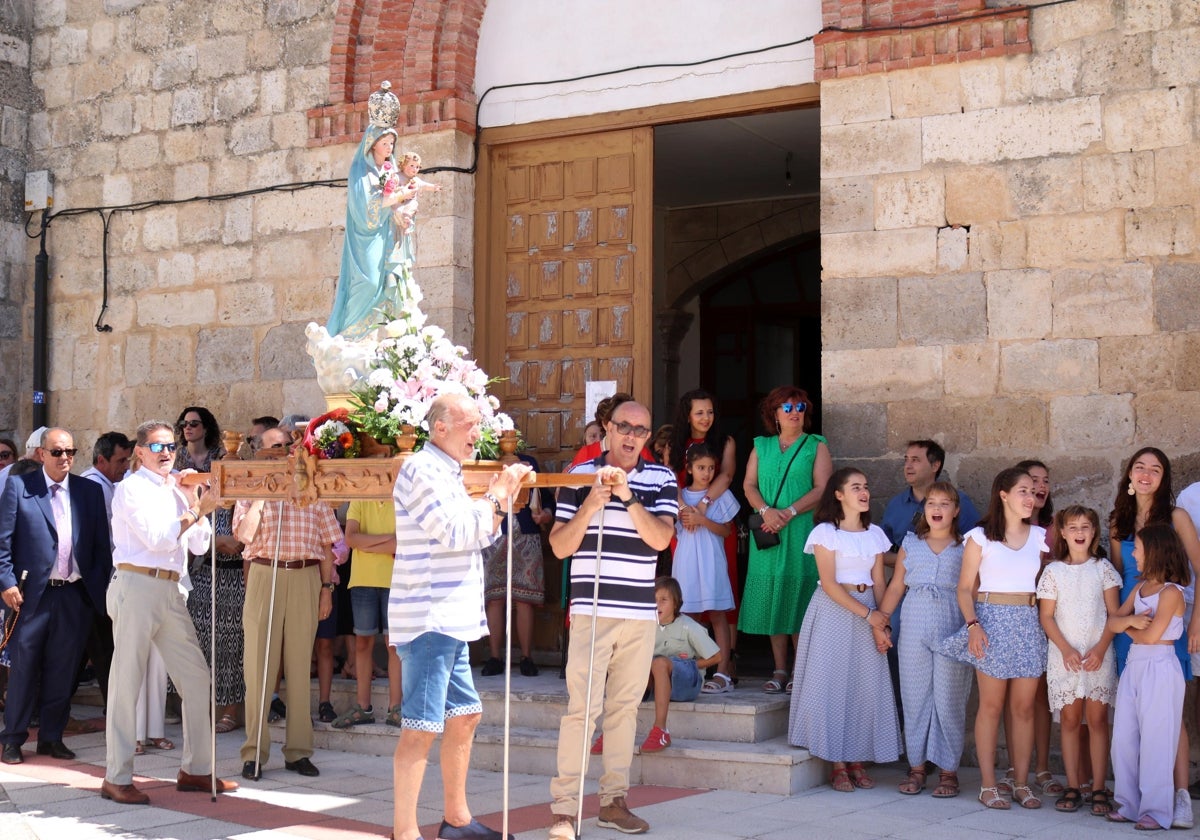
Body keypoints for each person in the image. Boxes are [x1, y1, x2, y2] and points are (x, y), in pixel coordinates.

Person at [388, 393, 531, 840]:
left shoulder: (448, 472)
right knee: (420, 728)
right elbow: (454, 532)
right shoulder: (420, 469)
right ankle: (405, 831)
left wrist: (496, 505)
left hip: (453, 618)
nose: (477, 434)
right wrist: (495, 497)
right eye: (469, 425)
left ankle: (457, 819)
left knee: (465, 715)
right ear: (440, 428)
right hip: (431, 617)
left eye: (478, 425)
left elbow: (477, 538)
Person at [548, 399, 677, 840]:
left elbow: (660, 538)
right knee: (581, 711)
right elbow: (561, 547)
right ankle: (564, 811)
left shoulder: (662, 478)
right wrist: (590, 505)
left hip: (638, 616)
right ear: (607, 426)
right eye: (623, 426)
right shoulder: (577, 476)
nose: (630, 436)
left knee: (624, 710)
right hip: (591, 611)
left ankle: (613, 803)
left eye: (640, 431)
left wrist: (627, 498)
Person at [102, 420, 238, 804]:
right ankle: (117, 776)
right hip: (136, 584)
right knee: (126, 683)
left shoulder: (177, 488)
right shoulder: (131, 488)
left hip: (171, 588)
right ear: (140, 452)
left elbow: (197, 546)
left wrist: (197, 504)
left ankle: (196, 770)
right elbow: (158, 537)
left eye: (170, 447)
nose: (166, 453)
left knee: (196, 679)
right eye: (157, 446)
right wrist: (198, 510)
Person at [234, 425, 342, 781]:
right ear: (260, 452)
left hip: (305, 575)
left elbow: (328, 544)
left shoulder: (310, 485)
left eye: (286, 445)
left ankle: (298, 751)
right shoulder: (250, 486)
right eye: (274, 447)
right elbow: (243, 537)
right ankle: (254, 753)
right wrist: (266, 494)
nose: (282, 451)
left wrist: (327, 588)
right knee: (258, 668)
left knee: (299, 667)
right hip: (265, 573)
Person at [0, 429, 112, 767]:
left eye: (70, 451)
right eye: (57, 452)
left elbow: (100, 548)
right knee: (24, 670)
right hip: (30, 597)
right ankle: (13, 739)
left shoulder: (88, 491)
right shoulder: (20, 487)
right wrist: (6, 582)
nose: (64, 458)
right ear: (41, 454)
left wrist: (99, 590)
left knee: (63, 672)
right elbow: (2, 543)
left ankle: (51, 737)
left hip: (74, 595)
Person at [941, 467, 1048, 810]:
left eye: (1033, 491)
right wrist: (973, 625)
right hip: (989, 621)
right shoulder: (979, 537)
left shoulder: (1041, 536)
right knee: (990, 706)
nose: (1031, 497)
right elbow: (963, 587)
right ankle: (988, 785)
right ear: (1003, 495)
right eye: (1023, 491)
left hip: (1029, 622)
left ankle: (1020, 782)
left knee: (1024, 709)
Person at [787, 468, 899, 791]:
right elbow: (831, 584)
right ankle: (836, 760)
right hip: (834, 610)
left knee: (864, 684)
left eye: (865, 487)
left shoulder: (875, 534)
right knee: (833, 683)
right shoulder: (825, 533)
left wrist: (882, 623)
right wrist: (869, 615)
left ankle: (857, 757)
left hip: (867, 612)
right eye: (855, 487)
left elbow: (880, 582)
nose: (863, 492)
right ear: (838, 495)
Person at [1108, 446, 1200, 828]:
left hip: (1167, 617)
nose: (1146, 474)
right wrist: (1116, 625)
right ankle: (1132, 798)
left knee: (1168, 715)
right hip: (1133, 608)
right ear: (1129, 474)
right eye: (1139, 467)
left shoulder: (1175, 516)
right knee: (1132, 714)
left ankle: (1177, 797)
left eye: (1156, 469)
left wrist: (1196, 625)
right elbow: (1116, 575)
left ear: (1164, 478)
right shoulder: (1119, 520)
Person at [878, 481, 971, 798]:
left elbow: (974, 591)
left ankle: (948, 771)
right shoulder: (910, 543)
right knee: (915, 696)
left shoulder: (967, 546)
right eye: (932, 503)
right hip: (914, 625)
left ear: (956, 511)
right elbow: (895, 587)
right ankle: (916, 767)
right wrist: (882, 622)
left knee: (949, 699)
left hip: (952, 625)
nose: (937, 509)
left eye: (945, 504)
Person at [739, 386, 831, 694]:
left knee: (799, 598)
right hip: (768, 531)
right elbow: (748, 484)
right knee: (772, 598)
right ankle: (779, 669)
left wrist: (788, 512)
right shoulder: (760, 446)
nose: (795, 413)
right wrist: (766, 512)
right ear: (774, 414)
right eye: (787, 408)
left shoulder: (815, 445)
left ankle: (800, 669)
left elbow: (822, 488)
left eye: (800, 407)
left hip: (800, 530)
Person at [1036, 505, 1119, 815]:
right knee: (1070, 721)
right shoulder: (1053, 571)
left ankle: (1098, 787)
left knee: (1097, 721)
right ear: (1062, 533)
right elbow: (1046, 616)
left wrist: (1099, 649)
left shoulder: (1104, 569)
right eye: (1073, 527)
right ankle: (1073, 784)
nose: (1080, 532)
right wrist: (1066, 649)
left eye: (1086, 527)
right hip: (1064, 656)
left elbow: (1114, 615)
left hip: (1098, 655)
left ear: (1094, 532)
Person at [327, 98, 421, 338]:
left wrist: (402, 209)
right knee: (368, 281)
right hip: (366, 236)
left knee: (386, 284)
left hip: (387, 234)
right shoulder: (361, 171)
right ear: (372, 145)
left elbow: (397, 202)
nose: (389, 147)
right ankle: (349, 335)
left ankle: (374, 335)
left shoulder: (391, 171)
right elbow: (365, 207)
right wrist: (398, 195)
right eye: (384, 143)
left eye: (391, 143)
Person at [668, 389, 741, 679]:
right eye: (699, 412)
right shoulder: (675, 444)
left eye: (710, 411)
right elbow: (669, 477)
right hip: (685, 522)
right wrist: (685, 509)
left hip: (713, 517)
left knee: (721, 593)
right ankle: (691, 668)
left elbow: (726, 475)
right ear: (687, 414)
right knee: (690, 595)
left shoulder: (724, 441)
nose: (705, 417)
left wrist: (703, 505)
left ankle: (727, 663)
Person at [480, 450, 554, 678]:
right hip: (493, 536)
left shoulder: (528, 463)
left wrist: (546, 515)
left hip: (526, 536)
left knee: (525, 600)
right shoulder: (483, 460)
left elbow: (546, 499)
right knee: (494, 598)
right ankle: (494, 657)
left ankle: (526, 657)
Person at [330, 497, 402, 728]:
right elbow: (350, 538)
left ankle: (396, 707)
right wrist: (387, 541)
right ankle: (363, 706)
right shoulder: (360, 500)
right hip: (362, 580)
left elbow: (402, 543)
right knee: (362, 644)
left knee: (394, 645)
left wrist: (367, 544)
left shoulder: (400, 498)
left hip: (396, 580)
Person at [78, 431, 133, 708]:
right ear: (101, 459)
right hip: (96, 582)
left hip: (103, 580)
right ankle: (116, 712)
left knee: (88, 651)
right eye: (121, 461)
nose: (125, 467)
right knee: (103, 651)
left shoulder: (110, 484)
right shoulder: (93, 486)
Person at [639, 576, 720, 752]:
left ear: (675, 604)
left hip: (687, 683)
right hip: (658, 682)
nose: (657, 605)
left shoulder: (688, 626)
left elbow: (717, 657)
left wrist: (689, 665)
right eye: (653, 600)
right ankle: (612, 729)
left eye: (663, 600)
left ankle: (660, 730)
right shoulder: (646, 626)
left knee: (660, 663)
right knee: (629, 662)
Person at [186, 501, 247, 734]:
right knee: (201, 645)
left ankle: (231, 710)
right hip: (204, 578)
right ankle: (203, 708)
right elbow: (190, 542)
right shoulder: (207, 505)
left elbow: (245, 541)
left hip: (236, 579)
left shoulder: (245, 504)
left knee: (233, 647)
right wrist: (217, 542)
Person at [174, 406, 226, 472]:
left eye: (193, 423)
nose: (188, 427)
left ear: (206, 428)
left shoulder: (220, 456)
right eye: (184, 423)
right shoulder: (175, 455)